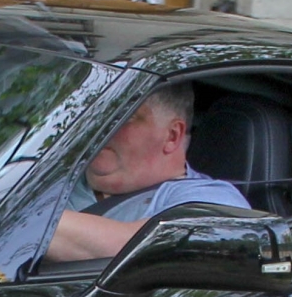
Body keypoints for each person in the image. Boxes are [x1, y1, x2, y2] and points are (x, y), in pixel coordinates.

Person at [44, 82, 249, 263]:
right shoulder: (48, 177)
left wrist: (23, 220)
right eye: (95, 115)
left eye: (119, 118)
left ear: (171, 136)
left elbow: (138, 247)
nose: (97, 128)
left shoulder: (213, 199)